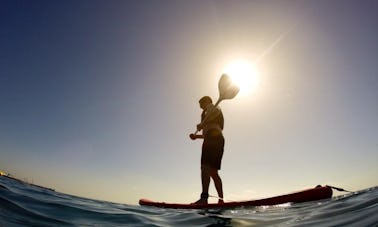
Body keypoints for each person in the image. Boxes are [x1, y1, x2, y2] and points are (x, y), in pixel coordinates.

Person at [189, 96, 225, 204]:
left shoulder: (212, 107)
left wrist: (202, 124)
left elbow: (215, 113)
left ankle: (204, 198)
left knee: (205, 167)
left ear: (206, 101)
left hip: (213, 139)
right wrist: (196, 137)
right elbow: (208, 133)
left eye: (201, 103)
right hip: (216, 139)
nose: (200, 106)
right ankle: (221, 200)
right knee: (213, 172)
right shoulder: (207, 114)